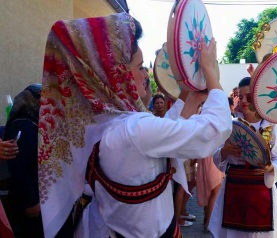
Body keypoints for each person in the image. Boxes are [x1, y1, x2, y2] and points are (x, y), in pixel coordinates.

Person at [38, 13, 232, 238]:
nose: (145, 76)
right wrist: (211, 73)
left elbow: (162, 133)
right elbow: (213, 130)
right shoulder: (132, 130)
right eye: (140, 67)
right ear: (115, 75)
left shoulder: (103, 124)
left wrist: (192, 98)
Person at [209, 76, 277, 238]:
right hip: (234, 189)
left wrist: (272, 168)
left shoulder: (271, 125)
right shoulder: (230, 124)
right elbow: (216, 156)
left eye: (248, 96)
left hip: (262, 191)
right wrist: (225, 151)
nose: (244, 100)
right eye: (240, 96)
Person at [2, 84, 44, 237]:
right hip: (26, 200)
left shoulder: (33, 123)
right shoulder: (23, 126)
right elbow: (19, 167)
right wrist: (31, 202)